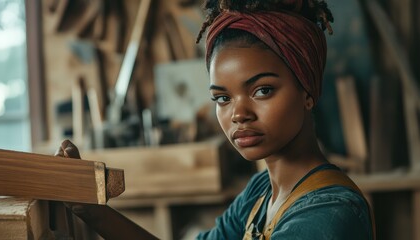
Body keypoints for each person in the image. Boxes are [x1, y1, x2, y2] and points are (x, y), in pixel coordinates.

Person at [56, 0, 375, 239]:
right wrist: (91, 209)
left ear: (308, 90)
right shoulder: (261, 193)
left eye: (262, 90)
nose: (238, 114)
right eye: (223, 98)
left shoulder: (329, 213)